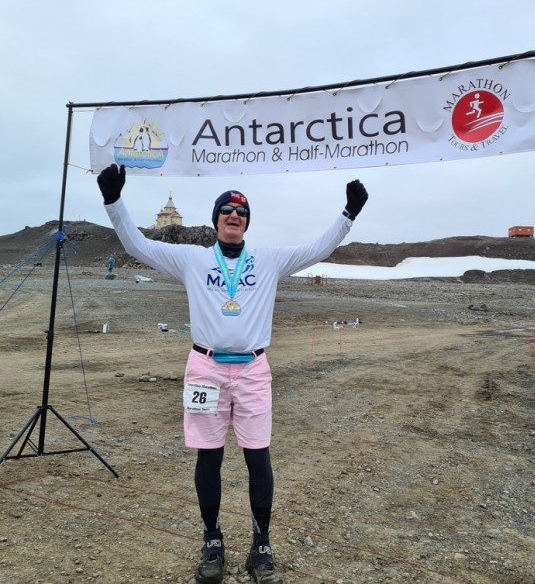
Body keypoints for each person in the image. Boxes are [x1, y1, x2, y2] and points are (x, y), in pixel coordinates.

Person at [96, 164, 368, 584]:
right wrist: (113, 201)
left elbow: (318, 248)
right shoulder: (192, 259)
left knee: (258, 455)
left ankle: (262, 546)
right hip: (205, 369)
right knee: (209, 455)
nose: (233, 215)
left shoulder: (269, 260)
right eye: (226, 210)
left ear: (247, 222)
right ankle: (213, 540)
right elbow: (138, 245)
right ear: (216, 219)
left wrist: (348, 214)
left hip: (253, 369)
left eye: (241, 212)